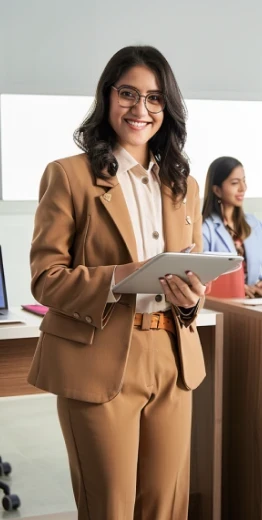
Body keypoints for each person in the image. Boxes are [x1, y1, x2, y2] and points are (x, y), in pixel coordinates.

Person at [28, 45, 206, 520]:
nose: (140, 109)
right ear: (107, 97)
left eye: (154, 98)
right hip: (99, 358)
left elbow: (186, 272)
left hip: (173, 359)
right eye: (128, 94)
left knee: (166, 508)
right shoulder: (68, 175)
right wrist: (120, 278)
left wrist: (191, 298)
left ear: (166, 108)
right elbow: (46, 279)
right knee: (110, 509)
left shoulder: (184, 183)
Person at [202, 156, 262, 298]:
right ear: (217, 190)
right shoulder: (205, 229)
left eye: (244, 181)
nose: (243, 188)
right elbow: (200, 276)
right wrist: (236, 288)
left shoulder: (254, 224)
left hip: (254, 303)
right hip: (225, 305)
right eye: (235, 183)